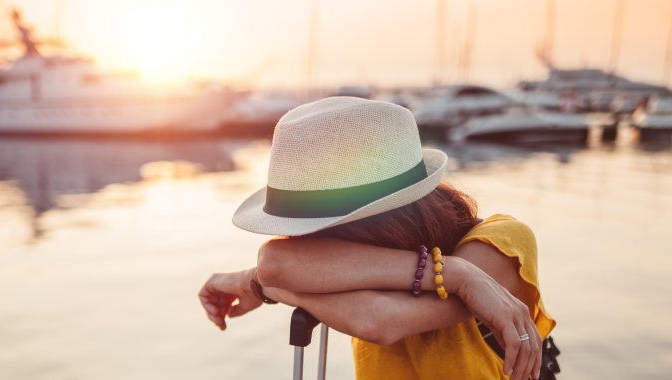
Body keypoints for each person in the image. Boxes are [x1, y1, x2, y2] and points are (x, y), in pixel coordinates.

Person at [198, 97, 555, 380]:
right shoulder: (447, 270)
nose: (315, 248)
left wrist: (264, 286)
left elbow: (377, 320)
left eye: (322, 233)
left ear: (373, 225)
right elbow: (274, 263)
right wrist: (458, 275)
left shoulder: (505, 241)